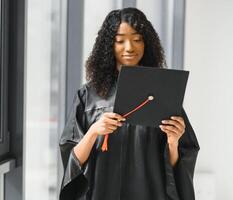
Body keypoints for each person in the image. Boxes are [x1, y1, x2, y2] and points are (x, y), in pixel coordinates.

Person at [59, 7, 199, 200]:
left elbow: (179, 167)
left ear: (146, 43)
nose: (129, 47)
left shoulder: (162, 93)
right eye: (120, 40)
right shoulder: (88, 96)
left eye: (137, 39)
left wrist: (173, 143)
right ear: (109, 45)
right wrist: (93, 132)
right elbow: (72, 161)